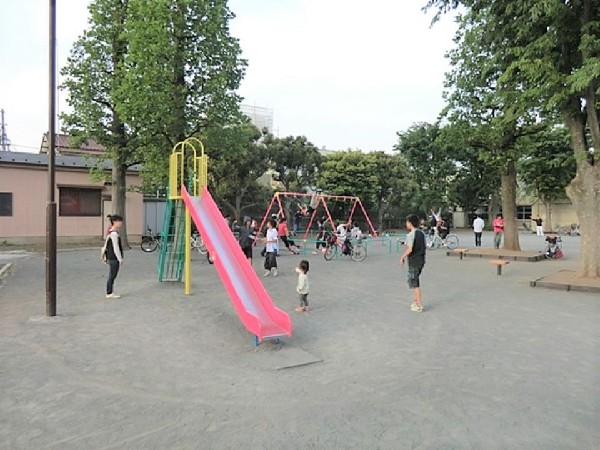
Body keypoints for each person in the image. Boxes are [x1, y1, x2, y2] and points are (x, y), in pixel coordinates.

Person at [400, 214, 426, 313]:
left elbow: (410, 249)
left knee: (415, 283)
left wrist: (402, 257)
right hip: (421, 260)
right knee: (414, 280)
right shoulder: (421, 233)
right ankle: (416, 301)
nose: (406, 224)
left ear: (410, 223)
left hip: (414, 261)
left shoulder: (411, 235)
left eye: (407, 222)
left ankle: (419, 305)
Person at [102, 214, 124, 299]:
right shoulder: (114, 233)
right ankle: (109, 292)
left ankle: (110, 292)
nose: (121, 223)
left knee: (112, 275)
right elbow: (116, 248)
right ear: (114, 222)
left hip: (111, 257)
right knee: (112, 275)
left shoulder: (111, 232)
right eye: (119, 221)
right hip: (113, 257)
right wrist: (120, 259)